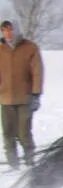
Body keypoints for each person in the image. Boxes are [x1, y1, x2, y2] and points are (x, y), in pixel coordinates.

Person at [0, 19, 44, 170]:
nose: (8, 33)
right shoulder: (1, 49)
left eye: (10, 30)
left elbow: (37, 72)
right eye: (5, 30)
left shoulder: (30, 48)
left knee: (23, 132)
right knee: (7, 133)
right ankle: (13, 165)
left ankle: (30, 162)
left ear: (17, 30)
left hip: (25, 98)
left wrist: (36, 94)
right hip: (5, 98)